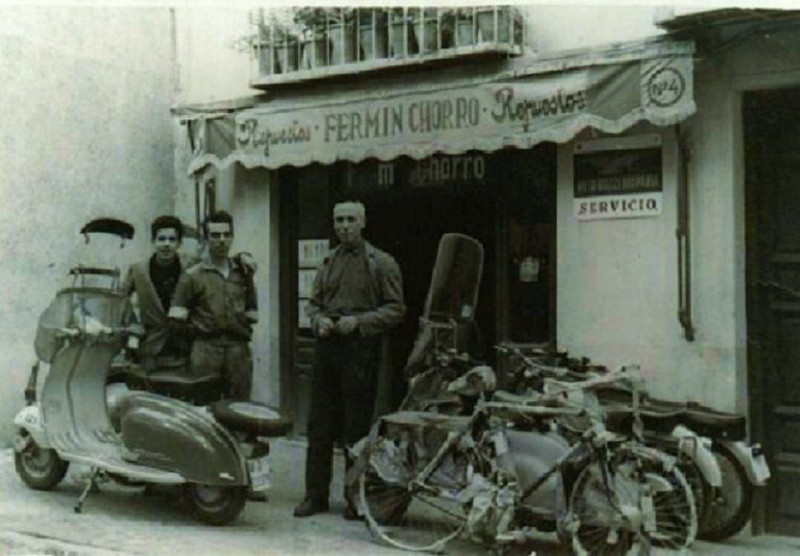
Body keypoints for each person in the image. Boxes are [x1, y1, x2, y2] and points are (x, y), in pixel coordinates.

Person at [294, 201, 405, 520]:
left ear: (363, 222)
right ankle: (314, 496)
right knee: (319, 425)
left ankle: (355, 497)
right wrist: (318, 321)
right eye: (339, 220)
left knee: (356, 428)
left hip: (361, 351)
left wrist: (359, 323)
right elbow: (313, 304)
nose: (344, 225)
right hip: (328, 348)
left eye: (350, 220)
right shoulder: (327, 261)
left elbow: (396, 309)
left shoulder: (381, 262)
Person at [168, 210, 258, 401]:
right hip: (205, 349)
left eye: (227, 235)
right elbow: (176, 321)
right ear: (206, 239)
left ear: (232, 237)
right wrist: (197, 340)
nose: (222, 240)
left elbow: (251, 313)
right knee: (204, 406)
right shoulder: (192, 275)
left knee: (239, 407)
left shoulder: (243, 273)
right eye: (215, 235)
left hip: (238, 350)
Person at [123, 215, 190, 375]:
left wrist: (243, 256)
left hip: (182, 347)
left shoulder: (190, 266)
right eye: (161, 239)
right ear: (153, 241)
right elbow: (120, 299)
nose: (166, 244)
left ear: (179, 243)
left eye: (172, 239)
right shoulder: (138, 270)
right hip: (151, 345)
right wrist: (132, 323)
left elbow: (216, 262)